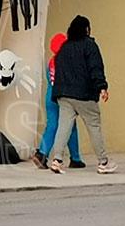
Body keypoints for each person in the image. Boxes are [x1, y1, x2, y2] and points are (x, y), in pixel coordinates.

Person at [48, 15, 116, 174]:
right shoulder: (89, 45)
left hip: (64, 95)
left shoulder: (64, 48)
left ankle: (57, 160)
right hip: (84, 94)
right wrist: (102, 87)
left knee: (63, 127)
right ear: (87, 29)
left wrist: (59, 92)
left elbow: (59, 71)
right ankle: (103, 162)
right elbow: (95, 67)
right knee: (94, 126)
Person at [31, 33, 85, 169]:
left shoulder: (52, 62)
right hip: (64, 97)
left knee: (52, 125)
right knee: (71, 126)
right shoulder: (68, 63)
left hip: (50, 96)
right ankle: (75, 158)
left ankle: (42, 153)